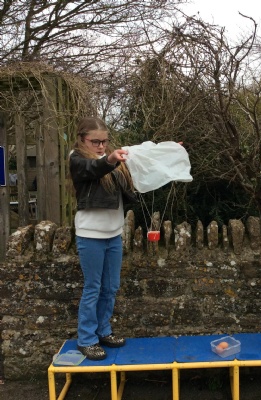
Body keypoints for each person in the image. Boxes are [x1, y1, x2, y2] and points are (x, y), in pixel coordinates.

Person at [69, 116, 137, 360]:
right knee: (93, 288)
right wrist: (109, 159)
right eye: (95, 141)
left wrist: (166, 153)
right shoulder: (77, 159)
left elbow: (138, 163)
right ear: (82, 139)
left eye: (105, 141)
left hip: (114, 235)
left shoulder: (112, 161)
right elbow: (94, 168)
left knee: (111, 287)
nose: (101, 146)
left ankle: (103, 331)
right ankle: (86, 340)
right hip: (90, 236)